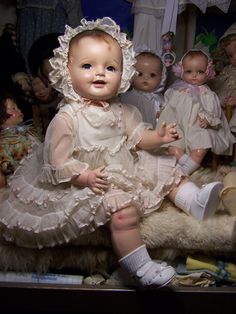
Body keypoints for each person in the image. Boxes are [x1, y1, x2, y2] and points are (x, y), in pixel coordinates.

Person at [0, 17, 224, 288]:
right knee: (123, 213)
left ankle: (194, 201)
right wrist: (84, 177)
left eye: (110, 67)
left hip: (124, 164)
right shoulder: (67, 117)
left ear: (123, 73)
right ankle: (139, 268)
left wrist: (159, 137)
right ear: (67, 71)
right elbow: (56, 162)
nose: (100, 73)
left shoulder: (123, 110)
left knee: (164, 166)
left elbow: (140, 136)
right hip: (88, 178)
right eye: (87, 66)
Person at [156, 49, 235, 175]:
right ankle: (187, 170)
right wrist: (162, 111)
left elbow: (214, 112)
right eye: (189, 71)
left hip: (199, 128)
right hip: (179, 126)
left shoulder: (208, 94)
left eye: (200, 72)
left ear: (207, 72)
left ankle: (182, 174)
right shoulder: (176, 90)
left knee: (199, 150)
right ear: (181, 71)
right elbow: (168, 104)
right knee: (174, 149)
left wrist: (208, 120)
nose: (194, 76)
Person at [0, 83, 41, 188]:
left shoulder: (27, 131)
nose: (19, 110)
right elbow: (6, 166)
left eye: (17, 107)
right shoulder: (4, 142)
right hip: (24, 184)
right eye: (13, 108)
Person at [120, 47, 167, 128]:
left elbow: (166, 118)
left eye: (152, 75)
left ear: (161, 77)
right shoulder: (126, 98)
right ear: (131, 74)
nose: (146, 78)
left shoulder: (160, 100)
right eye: (140, 74)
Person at [210, 22, 236, 166]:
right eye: (231, 55)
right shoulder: (228, 70)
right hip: (227, 104)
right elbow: (218, 86)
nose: (235, 57)